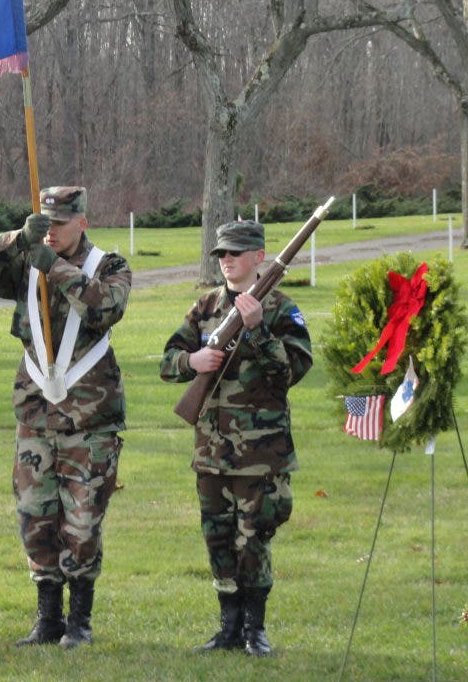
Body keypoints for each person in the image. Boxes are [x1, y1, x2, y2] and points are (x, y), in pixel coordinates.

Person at [0, 186, 131, 649]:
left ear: (82, 223)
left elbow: (103, 308)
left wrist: (52, 266)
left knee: (81, 524)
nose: (52, 233)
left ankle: (79, 622)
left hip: (89, 419)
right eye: (46, 224)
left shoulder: (109, 266)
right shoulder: (25, 261)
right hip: (35, 413)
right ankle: (48, 620)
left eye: (60, 225)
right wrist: (16, 239)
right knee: (35, 518)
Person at [159, 220, 313, 657]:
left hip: (261, 455)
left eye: (235, 253)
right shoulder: (205, 307)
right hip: (211, 451)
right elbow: (169, 360)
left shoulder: (282, 309)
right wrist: (194, 360)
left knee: (255, 540)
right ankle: (227, 628)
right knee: (219, 540)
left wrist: (259, 329)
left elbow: (292, 372)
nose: (226, 260)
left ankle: (254, 630)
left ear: (259, 257)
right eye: (221, 254)